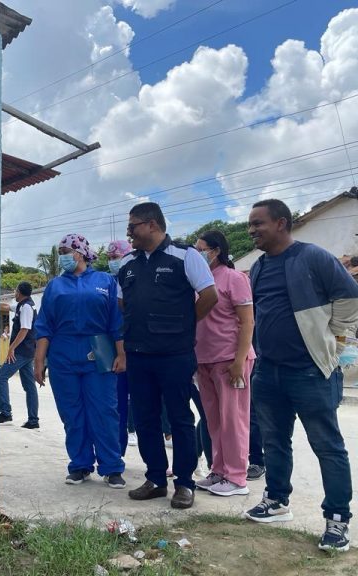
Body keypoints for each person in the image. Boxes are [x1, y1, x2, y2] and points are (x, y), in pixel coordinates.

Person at [244, 199, 358, 553]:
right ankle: (277, 501)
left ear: (281, 223)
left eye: (257, 224)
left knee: (328, 446)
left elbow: (351, 295)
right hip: (268, 371)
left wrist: (335, 339)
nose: (251, 230)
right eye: (249, 224)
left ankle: (337, 519)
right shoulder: (258, 267)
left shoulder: (313, 257)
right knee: (274, 442)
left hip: (310, 372)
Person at [118, 202, 218, 509]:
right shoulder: (127, 264)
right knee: (146, 419)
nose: (129, 232)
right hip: (139, 355)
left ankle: (184, 483)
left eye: (132, 226)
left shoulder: (185, 256)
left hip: (175, 355)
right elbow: (123, 305)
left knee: (179, 418)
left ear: (151, 224)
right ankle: (156, 480)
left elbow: (210, 296)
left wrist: (183, 327)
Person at [34, 233, 127, 488]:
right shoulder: (55, 285)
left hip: (99, 351)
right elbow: (44, 326)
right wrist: (39, 360)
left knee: (105, 411)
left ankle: (112, 466)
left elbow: (116, 322)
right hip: (62, 354)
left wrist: (122, 354)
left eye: (66, 250)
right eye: (60, 251)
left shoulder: (105, 281)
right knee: (72, 413)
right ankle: (80, 464)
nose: (62, 256)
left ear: (80, 252)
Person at [193, 230, 256, 497]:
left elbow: (247, 322)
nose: (197, 254)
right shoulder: (198, 281)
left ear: (216, 251)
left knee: (234, 420)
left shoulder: (234, 278)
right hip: (204, 360)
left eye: (201, 249)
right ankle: (218, 470)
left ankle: (237, 477)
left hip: (230, 359)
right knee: (214, 420)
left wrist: (239, 361)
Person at [0, 281, 40, 429]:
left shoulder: (26, 307)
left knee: (1, 376)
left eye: (15, 291)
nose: (14, 293)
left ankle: (5, 412)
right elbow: (7, 307)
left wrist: (11, 349)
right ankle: (33, 420)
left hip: (22, 351)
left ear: (19, 292)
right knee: (29, 386)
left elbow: (24, 330)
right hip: (27, 351)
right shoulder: (22, 305)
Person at [107, 240, 134, 455]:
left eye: (116, 257)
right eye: (110, 258)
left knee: (148, 409)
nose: (112, 262)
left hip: (141, 351)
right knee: (118, 409)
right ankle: (117, 454)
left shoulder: (138, 279)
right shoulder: (108, 284)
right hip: (117, 355)